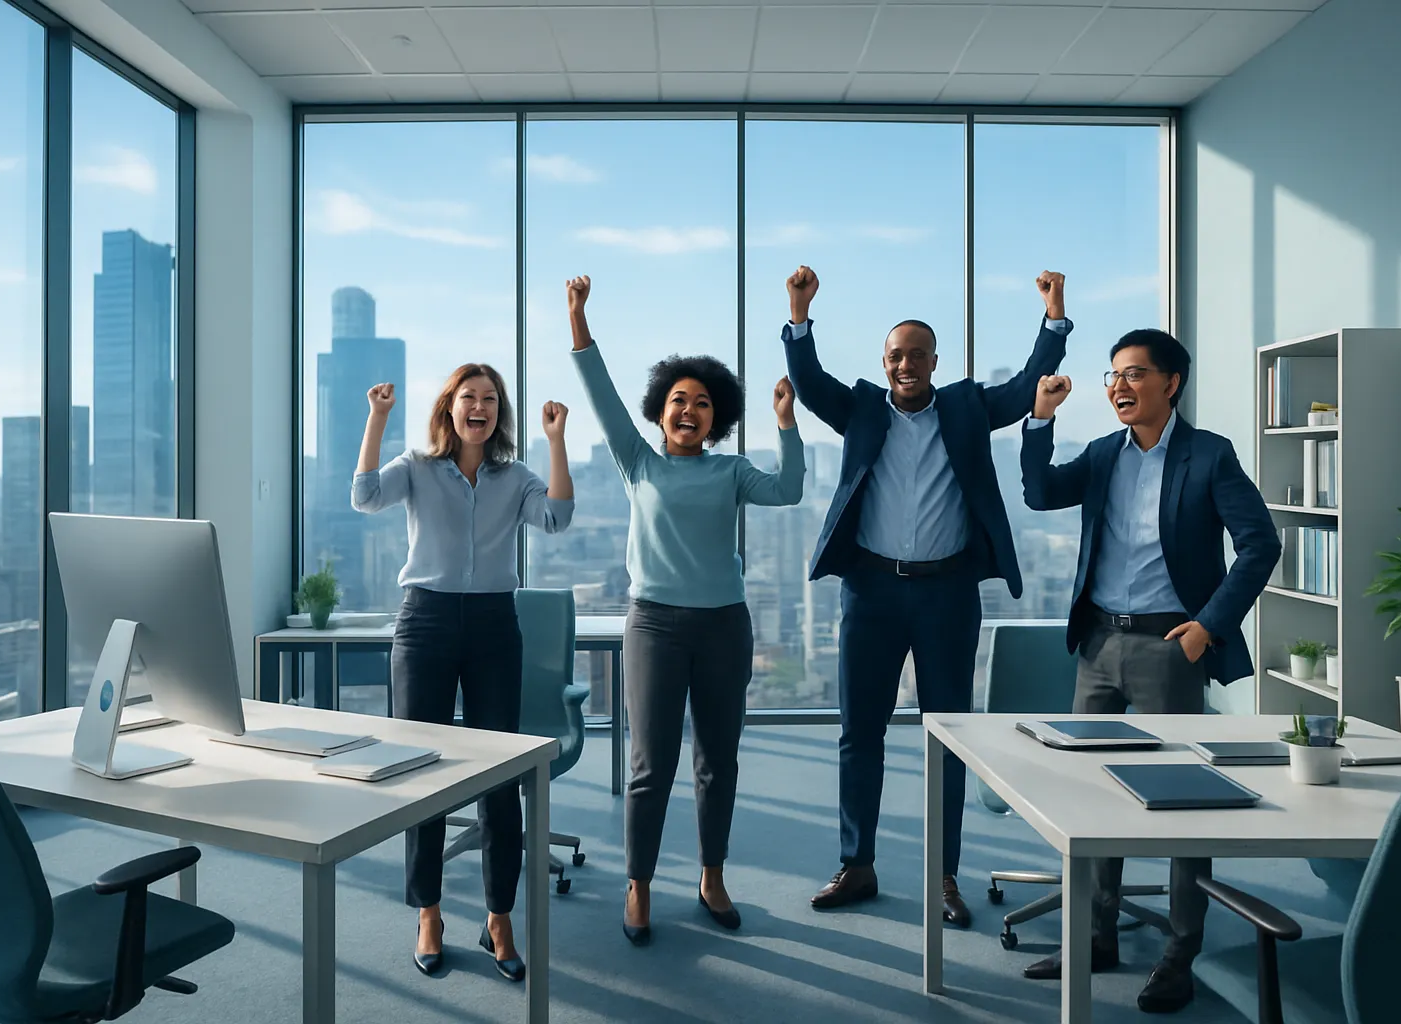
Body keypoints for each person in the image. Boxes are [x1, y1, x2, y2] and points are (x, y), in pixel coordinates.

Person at [783, 265, 1071, 928]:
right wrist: (799, 312)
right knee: (861, 732)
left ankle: (944, 875)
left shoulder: (968, 409)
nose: (905, 363)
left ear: (934, 362)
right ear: (884, 364)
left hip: (947, 593)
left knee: (948, 734)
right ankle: (857, 864)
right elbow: (809, 382)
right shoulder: (857, 408)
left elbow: (1028, 386)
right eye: (894, 355)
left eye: (916, 354)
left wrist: (1053, 318)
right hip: (871, 591)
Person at [1017, 328, 1279, 1013]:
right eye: (1112, 376)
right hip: (1099, 644)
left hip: (1171, 646)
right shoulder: (1103, 453)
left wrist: (1208, 627)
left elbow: (1260, 544)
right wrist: (1040, 420)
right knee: (1091, 794)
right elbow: (1041, 493)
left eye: (1134, 374)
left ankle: (1179, 952)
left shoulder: (1209, 455)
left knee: (1183, 800)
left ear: (1172, 383)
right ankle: (1097, 934)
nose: (1119, 387)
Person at [565, 275, 804, 946]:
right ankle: (638, 885)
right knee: (651, 765)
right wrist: (581, 320)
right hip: (655, 628)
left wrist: (785, 425)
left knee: (718, 760)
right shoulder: (637, 462)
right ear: (660, 411)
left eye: (702, 403)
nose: (689, 410)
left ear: (717, 416)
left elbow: (787, 490)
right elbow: (602, 397)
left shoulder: (730, 473)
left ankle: (711, 875)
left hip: (725, 626)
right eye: (678, 400)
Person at [351, 364, 574, 983]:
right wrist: (377, 420)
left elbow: (557, 518)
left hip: (494, 627)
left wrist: (555, 441)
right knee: (422, 772)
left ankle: (500, 916)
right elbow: (365, 496)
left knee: (501, 776)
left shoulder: (516, 477)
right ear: (449, 407)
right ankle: (429, 912)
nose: (480, 407)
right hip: (424, 623)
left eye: (491, 399)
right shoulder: (417, 467)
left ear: (500, 414)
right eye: (469, 397)